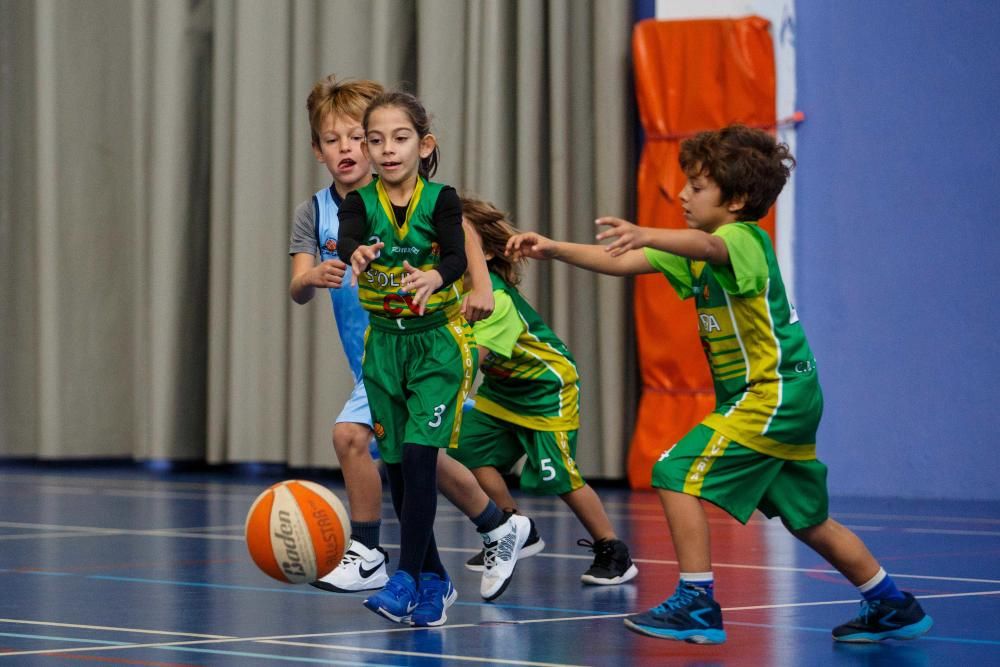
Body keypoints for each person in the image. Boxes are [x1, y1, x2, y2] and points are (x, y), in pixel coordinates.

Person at [506, 124, 933, 644]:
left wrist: (649, 231)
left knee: (673, 471)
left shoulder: (743, 239)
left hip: (773, 392)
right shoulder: (699, 249)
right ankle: (892, 605)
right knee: (808, 519)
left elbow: (708, 244)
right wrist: (553, 248)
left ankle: (697, 602)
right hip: (777, 398)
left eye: (697, 186)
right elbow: (623, 261)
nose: (683, 194)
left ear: (737, 199)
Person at [288, 78, 529, 623]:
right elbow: (302, 282)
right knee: (416, 464)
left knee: (362, 441)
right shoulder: (326, 211)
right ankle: (487, 534)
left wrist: (482, 286)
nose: (350, 149)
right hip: (378, 353)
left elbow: (462, 232)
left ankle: (374, 553)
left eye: (359, 137)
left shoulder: (417, 196)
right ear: (318, 150)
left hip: (431, 346)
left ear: (416, 145)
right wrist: (326, 270)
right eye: (337, 140)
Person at [453, 196, 639, 586]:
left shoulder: (496, 303)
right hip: (504, 389)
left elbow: (465, 367)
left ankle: (613, 549)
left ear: (485, 253)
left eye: (457, 238)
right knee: (466, 451)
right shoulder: (448, 290)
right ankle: (512, 528)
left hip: (545, 388)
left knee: (559, 475)